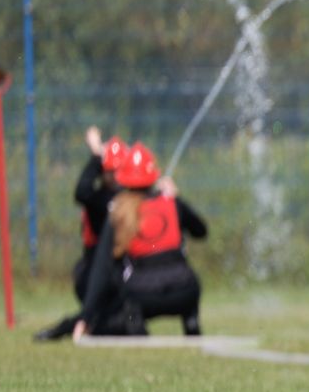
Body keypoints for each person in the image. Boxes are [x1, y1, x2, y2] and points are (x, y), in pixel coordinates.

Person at [74, 141, 210, 338]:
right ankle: (191, 322)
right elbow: (201, 231)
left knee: (124, 303)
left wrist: (86, 317)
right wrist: (177, 198)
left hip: (143, 297)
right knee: (191, 283)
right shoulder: (171, 203)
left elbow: (102, 268)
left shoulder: (119, 213)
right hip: (184, 290)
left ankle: (136, 329)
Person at [33, 126, 124, 342]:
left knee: (114, 321)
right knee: (106, 321)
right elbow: (82, 191)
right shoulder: (101, 199)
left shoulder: (127, 197)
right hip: (94, 272)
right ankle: (73, 326)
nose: (117, 177)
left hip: (118, 272)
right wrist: (95, 156)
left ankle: (71, 326)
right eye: (111, 171)